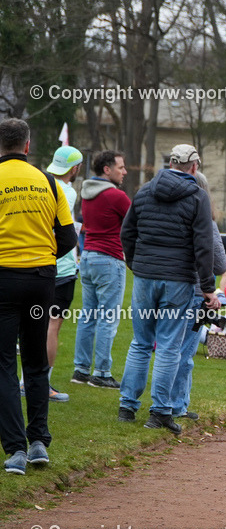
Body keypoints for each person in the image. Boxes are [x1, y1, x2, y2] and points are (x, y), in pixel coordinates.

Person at [118, 144, 220, 434]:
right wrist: (209, 288)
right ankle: (160, 411)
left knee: (140, 342)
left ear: (171, 163)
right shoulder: (198, 196)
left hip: (145, 276)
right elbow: (203, 246)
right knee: (168, 347)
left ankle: (127, 406)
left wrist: (136, 265)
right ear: (194, 167)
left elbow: (127, 233)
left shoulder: (145, 191)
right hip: (177, 280)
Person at [0, 119, 76, 474]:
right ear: (27, 146)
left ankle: (15, 450)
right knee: (35, 360)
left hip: (4, 279)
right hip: (41, 280)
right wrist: (43, 259)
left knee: (3, 364)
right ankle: (38, 442)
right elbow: (68, 237)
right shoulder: (48, 182)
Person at [168, 172, 226, 420]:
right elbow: (220, 264)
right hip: (194, 291)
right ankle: (177, 405)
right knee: (184, 352)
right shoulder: (206, 222)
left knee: (167, 348)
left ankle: (161, 402)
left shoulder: (172, 217)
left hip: (167, 288)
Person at [72, 150, 131, 389]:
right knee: (108, 318)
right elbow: (136, 222)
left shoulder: (86, 193)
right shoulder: (116, 196)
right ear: (107, 169)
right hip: (109, 259)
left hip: (88, 258)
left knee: (88, 316)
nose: (124, 171)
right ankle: (102, 373)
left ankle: (81, 370)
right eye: (121, 167)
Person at [45, 145, 84, 403]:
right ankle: (39, 383)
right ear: (75, 168)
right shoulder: (67, 192)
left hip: (36, 264)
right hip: (62, 266)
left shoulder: (41, 183)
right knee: (51, 326)